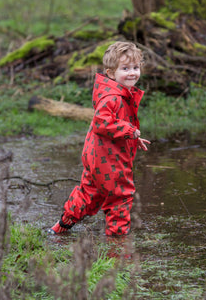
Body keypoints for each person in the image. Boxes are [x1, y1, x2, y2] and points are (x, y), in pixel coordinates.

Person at [48, 41, 150, 236]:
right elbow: (101, 123)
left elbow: (113, 124)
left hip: (98, 155)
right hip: (109, 159)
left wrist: (133, 138)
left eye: (135, 68)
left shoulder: (115, 93)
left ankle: (61, 226)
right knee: (121, 196)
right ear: (111, 73)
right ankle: (117, 242)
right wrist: (129, 130)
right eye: (125, 68)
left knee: (89, 193)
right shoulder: (113, 97)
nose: (132, 73)